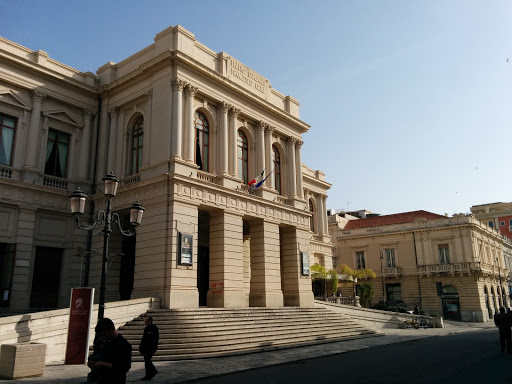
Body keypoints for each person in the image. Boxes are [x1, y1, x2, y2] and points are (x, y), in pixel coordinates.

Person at [87, 317, 132, 383]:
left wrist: (103, 364)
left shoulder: (123, 345)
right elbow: (97, 355)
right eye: (101, 336)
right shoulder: (103, 342)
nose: (102, 338)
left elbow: (124, 367)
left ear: (112, 329)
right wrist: (93, 362)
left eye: (104, 334)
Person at [139, 316, 159, 381]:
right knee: (147, 360)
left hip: (151, 348)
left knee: (147, 360)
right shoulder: (146, 328)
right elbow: (143, 339)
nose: (145, 322)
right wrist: (141, 347)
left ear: (150, 321)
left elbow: (155, 339)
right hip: (145, 348)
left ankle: (150, 373)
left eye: (146, 320)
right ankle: (151, 372)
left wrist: (154, 347)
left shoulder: (154, 328)